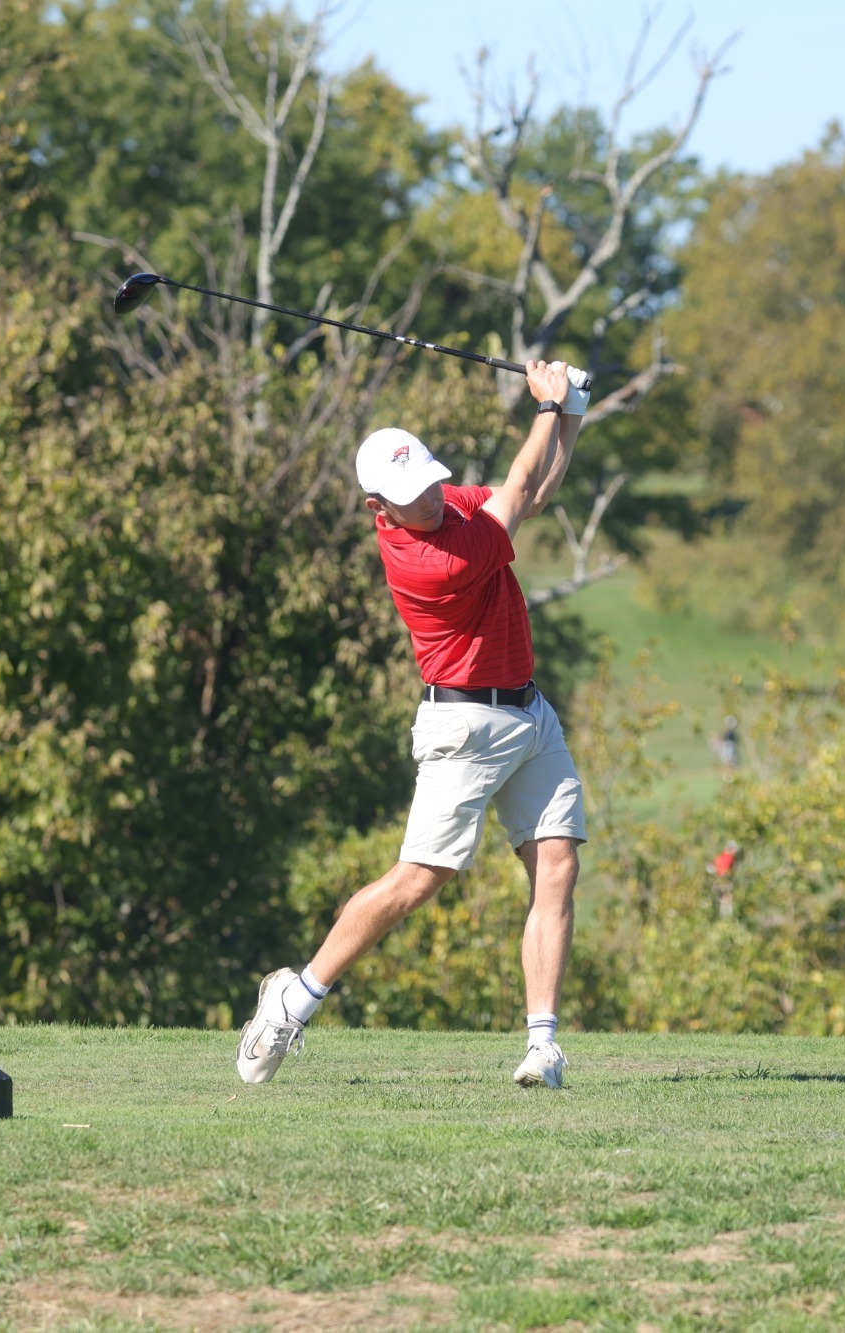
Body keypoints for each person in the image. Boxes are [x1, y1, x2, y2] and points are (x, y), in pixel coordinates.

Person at [235, 360, 590, 1089]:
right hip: (463, 726)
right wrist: (547, 407)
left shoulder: (450, 506)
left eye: (430, 483)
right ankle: (291, 1001)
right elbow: (520, 488)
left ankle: (542, 1046)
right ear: (378, 506)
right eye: (408, 497)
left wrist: (572, 410)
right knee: (417, 881)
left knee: (557, 863)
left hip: (529, 714)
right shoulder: (427, 557)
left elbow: (535, 491)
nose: (428, 500)